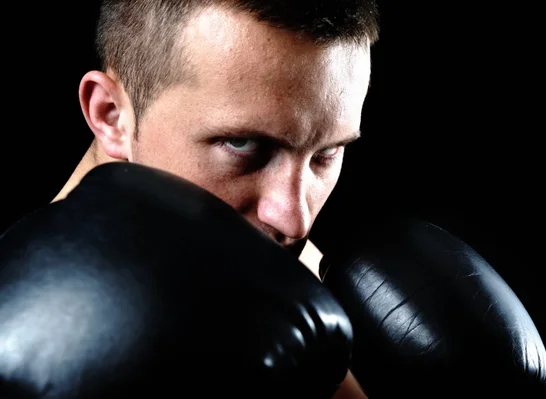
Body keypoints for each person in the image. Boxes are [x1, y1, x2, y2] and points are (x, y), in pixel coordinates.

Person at [49, 0, 380, 397]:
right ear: (111, 115)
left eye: (326, 154)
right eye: (244, 144)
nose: (296, 221)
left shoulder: (276, 278)